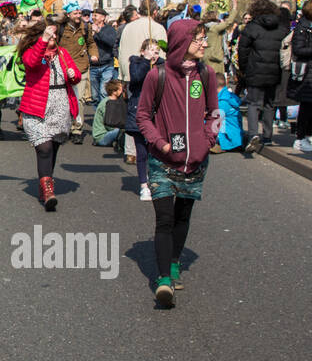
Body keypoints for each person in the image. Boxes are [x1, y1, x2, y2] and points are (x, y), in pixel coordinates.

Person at [136, 19, 220, 308]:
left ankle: (173, 263)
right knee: (165, 219)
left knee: (183, 217)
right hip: (162, 160)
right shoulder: (156, 76)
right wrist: (159, 143)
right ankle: (162, 280)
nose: (204, 44)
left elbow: (215, 113)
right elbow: (143, 117)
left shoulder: (206, 74)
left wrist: (207, 139)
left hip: (195, 160)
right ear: (183, 42)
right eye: (199, 39)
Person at [18, 16, 81, 212]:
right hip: (38, 107)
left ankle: (46, 182)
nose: (53, 39)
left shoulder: (62, 53)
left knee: (52, 147)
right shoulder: (32, 52)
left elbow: (76, 76)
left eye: (54, 37)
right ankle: (48, 192)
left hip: (60, 104)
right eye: (49, 37)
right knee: (43, 148)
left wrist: (74, 75)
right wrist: (42, 41)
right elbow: (32, 62)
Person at [237, 0, 284, 152]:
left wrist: (243, 69)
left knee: (253, 103)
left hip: (255, 70)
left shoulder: (251, 28)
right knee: (270, 103)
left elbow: (242, 51)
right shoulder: (281, 28)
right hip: (275, 70)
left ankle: (252, 135)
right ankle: (268, 136)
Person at [123, 37, 162, 201]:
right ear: (143, 51)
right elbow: (136, 79)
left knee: (157, 150)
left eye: (157, 50)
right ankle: (143, 185)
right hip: (139, 110)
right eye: (151, 49)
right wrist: (146, 61)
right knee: (142, 151)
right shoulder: (136, 63)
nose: (154, 52)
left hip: (157, 112)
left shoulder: (162, 65)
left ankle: (156, 181)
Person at [288, 0, 312, 153]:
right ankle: (300, 137)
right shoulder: (302, 27)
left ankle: (309, 134)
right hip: (307, 71)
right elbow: (298, 49)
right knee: (308, 106)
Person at [57, 4, 93, 143]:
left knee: (78, 100)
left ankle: (77, 128)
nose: (78, 16)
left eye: (79, 13)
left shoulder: (85, 28)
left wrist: (94, 55)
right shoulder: (61, 28)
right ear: (68, 15)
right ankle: (64, 128)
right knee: (64, 100)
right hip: (64, 67)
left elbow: (91, 43)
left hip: (81, 67)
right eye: (75, 13)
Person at [89, 8, 118, 111]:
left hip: (107, 65)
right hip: (93, 66)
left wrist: (98, 32)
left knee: (103, 92)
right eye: (93, 15)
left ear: (103, 18)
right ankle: (98, 114)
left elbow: (111, 42)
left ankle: (105, 116)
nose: (93, 17)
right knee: (95, 95)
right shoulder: (88, 28)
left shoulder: (109, 29)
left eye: (96, 16)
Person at [91, 78, 126, 150]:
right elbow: (108, 123)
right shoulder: (106, 103)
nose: (122, 91)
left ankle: (117, 141)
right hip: (101, 136)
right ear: (114, 91)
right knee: (121, 131)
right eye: (120, 89)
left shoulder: (115, 101)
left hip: (108, 133)